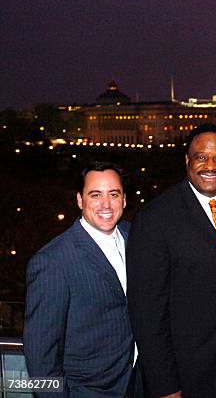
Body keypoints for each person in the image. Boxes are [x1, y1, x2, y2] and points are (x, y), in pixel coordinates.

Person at [127, 124, 216, 397]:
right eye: (201, 157)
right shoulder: (155, 219)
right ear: (187, 160)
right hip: (188, 375)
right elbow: (147, 314)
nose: (210, 166)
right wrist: (166, 387)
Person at [24, 161, 138, 397]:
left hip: (136, 385)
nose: (106, 204)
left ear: (124, 200)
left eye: (113, 194)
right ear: (80, 200)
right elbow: (40, 357)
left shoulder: (136, 237)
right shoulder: (52, 261)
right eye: (95, 195)